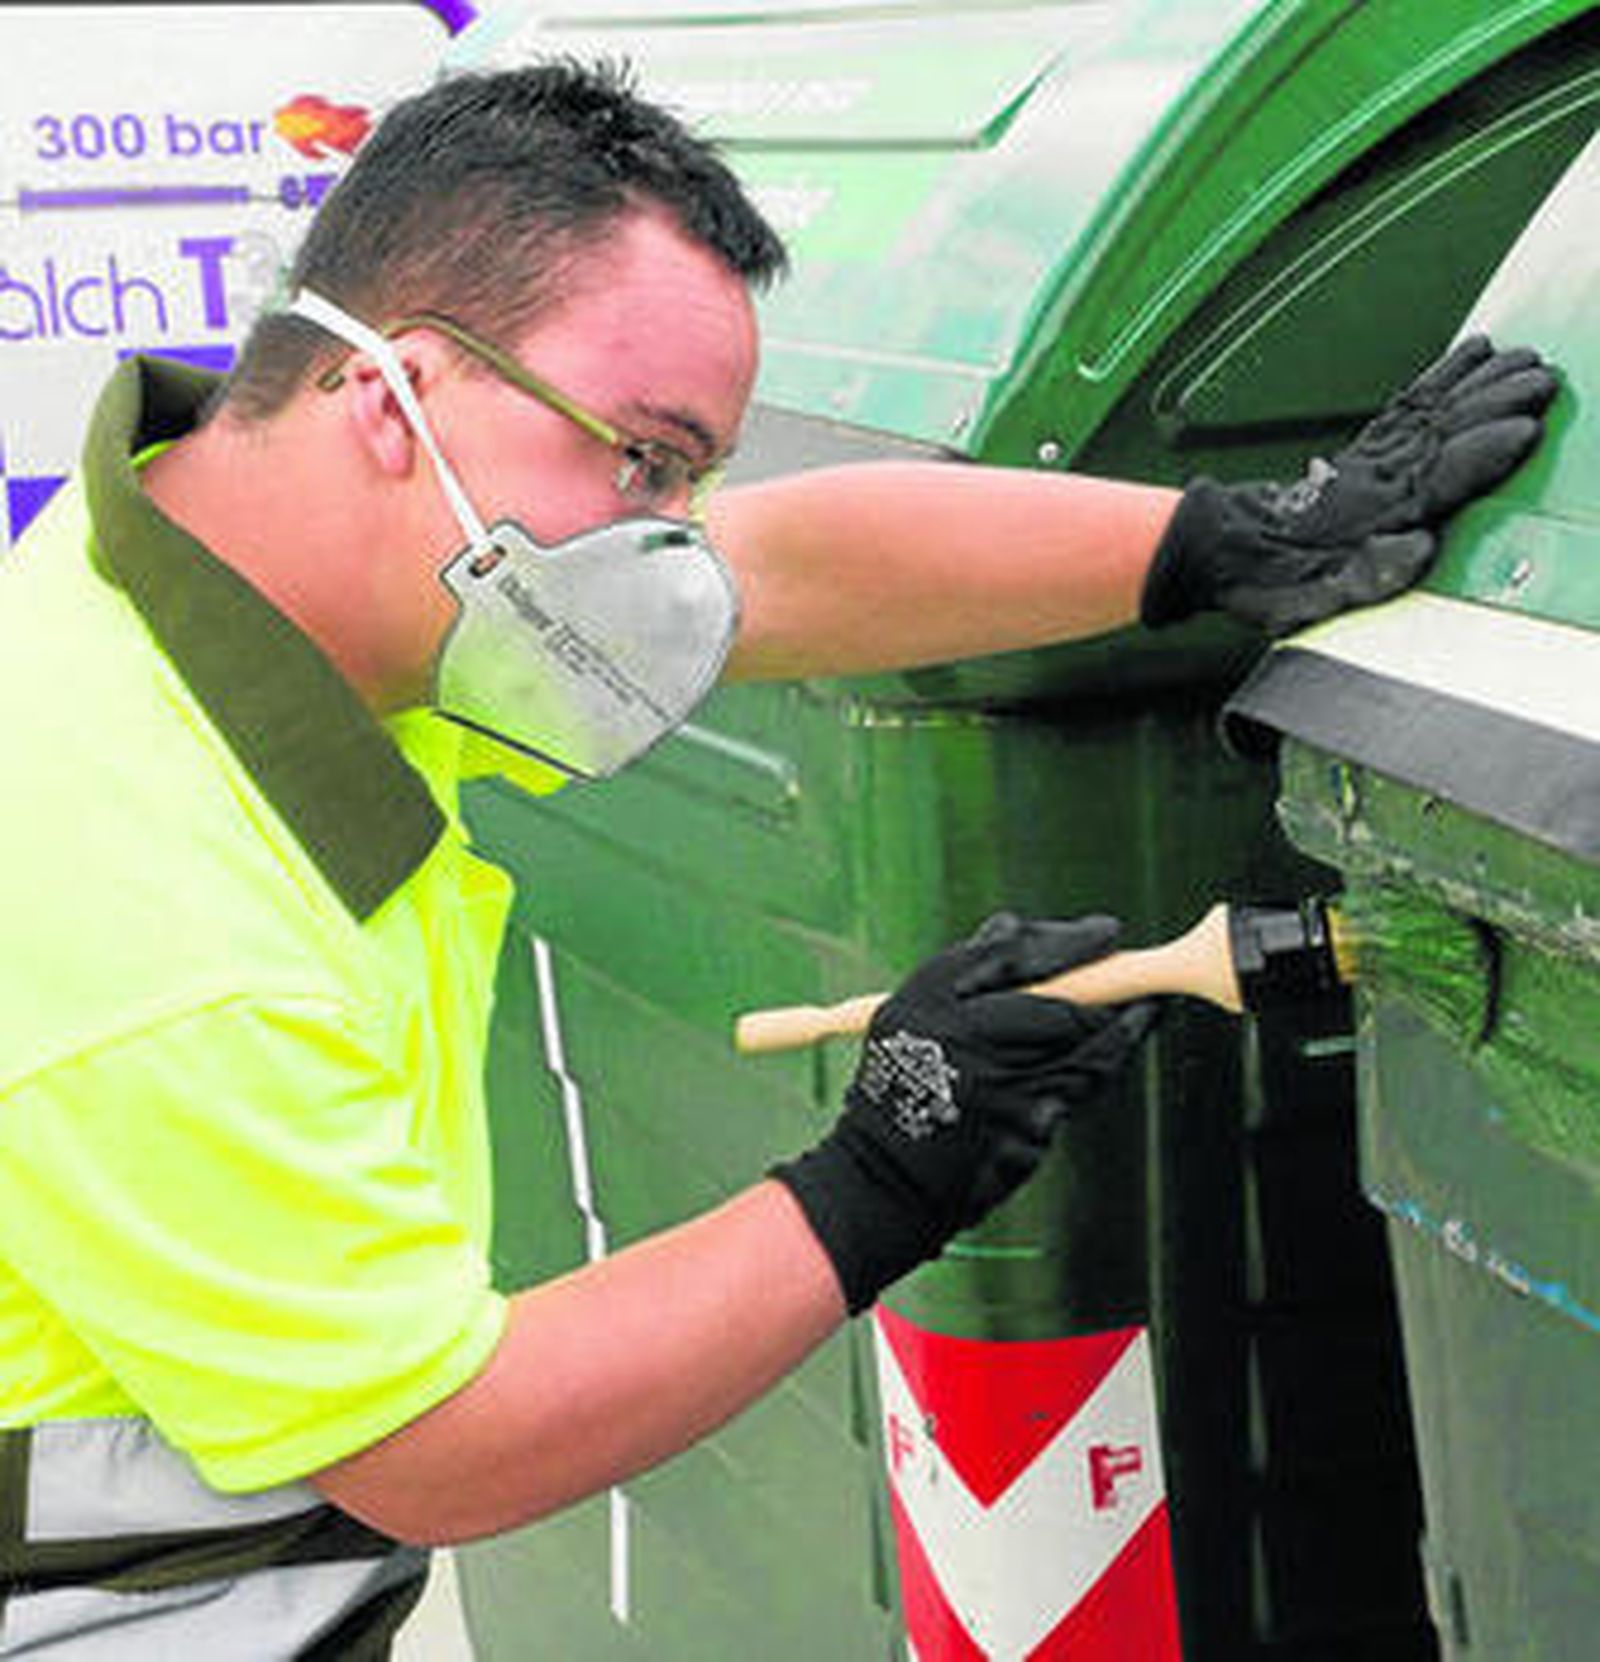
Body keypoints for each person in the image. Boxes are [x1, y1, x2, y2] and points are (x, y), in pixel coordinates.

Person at [0, 61, 1556, 1658]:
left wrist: (1227, 540)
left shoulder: (244, 564)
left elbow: (783, 564)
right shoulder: (145, 907)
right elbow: (435, 1441)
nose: (674, 539)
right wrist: (883, 1168)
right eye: (647, 462)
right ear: (395, 397)